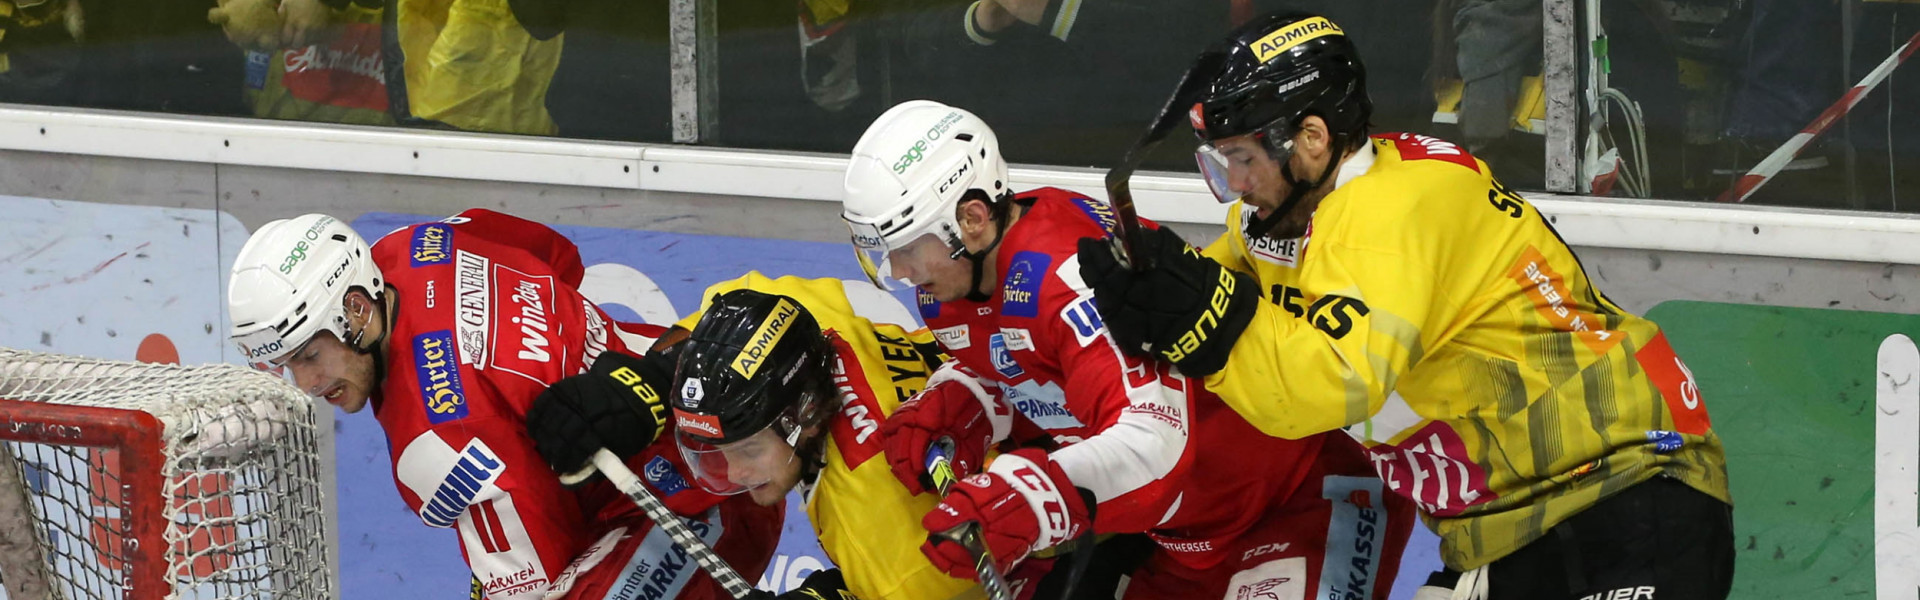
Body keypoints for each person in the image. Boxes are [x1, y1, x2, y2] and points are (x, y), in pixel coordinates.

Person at [1074, 13, 1735, 599]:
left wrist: (1201, 330)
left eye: (1243, 159)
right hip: (1505, 531)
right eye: (1221, 164)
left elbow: (1326, 383)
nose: (1236, 187)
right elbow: (1201, 303)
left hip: (1626, 492)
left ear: (1310, 137)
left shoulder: (1393, 208)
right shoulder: (1287, 217)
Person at [840, 99, 1417, 600]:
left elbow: (1156, 442)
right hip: (1183, 543)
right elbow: (1029, 371)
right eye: (881, 253)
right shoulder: (955, 288)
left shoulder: (1071, 275)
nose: (898, 271)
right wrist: (963, 398)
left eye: (904, 248)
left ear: (969, 220)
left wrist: (1036, 496)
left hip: (1299, 507)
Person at [226, 210, 782, 599]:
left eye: (308, 355)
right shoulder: (417, 243)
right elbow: (559, 255)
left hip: (713, 501)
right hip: (722, 401)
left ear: (353, 309)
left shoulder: (435, 434)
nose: (304, 382)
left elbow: (539, 577)